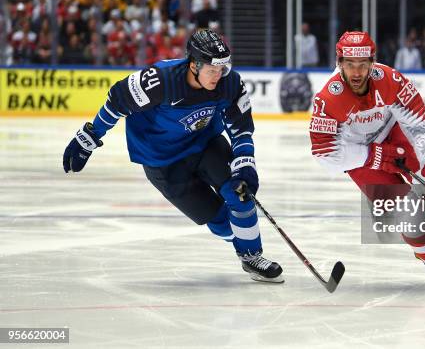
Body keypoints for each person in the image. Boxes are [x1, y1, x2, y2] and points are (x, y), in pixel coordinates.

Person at [63, 29, 283, 283]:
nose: (218, 75)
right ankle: (241, 245)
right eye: (212, 69)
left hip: (205, 144)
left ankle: (251, 255)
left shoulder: (229, 83)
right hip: (162, 162)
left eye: (222, 68)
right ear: (194, 65)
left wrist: (246, 166)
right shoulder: (159, 81)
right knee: (217, 219)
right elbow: (116, 102)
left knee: (240, 192)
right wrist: (88, 139)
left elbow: (241, 129)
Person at [308, 31, 425, 285]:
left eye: (362, 65)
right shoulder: (328, 99)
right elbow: (324, 155)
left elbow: (417, 122)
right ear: (339, 64)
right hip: (359, 154)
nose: (356, 73)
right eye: (350, 65)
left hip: (393, 131)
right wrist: (374, 155)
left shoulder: (390, 78)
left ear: (372, 63)